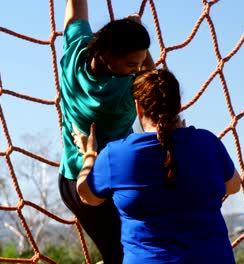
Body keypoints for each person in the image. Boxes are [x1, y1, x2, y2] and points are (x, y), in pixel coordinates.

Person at [73, 69, 241, 264]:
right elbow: (233, 185)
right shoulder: (208, 143)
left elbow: (86, 195)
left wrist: (89, 155)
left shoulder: (116, 154)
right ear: (179, 105)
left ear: (138, 108)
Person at [59, 0, 155, 262]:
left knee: (117, 253)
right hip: (104, 183)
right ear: (109, 55)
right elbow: (157, 83)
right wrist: (137, 28)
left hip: (70, 180)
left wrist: (131, 31)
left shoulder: (76, 53)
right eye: (131, 64)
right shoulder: (120, 97)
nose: (136, 69)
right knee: (130, 254)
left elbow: (76, 8)